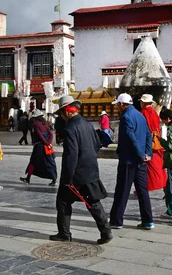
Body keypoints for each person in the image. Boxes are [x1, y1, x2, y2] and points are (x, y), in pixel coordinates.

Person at [52, 95, 112, 245]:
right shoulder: (86, 124)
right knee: (93, 202)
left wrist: (66, 178)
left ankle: (64, 234)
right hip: (90, 169)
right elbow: (97, 144)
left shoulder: (71, 128)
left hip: (76, 174)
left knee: (63, 202)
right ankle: (106, 232)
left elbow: (71, 156)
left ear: (66, 112)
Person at [109, 93, 154, 230]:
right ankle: (148, 221)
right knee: (142, 191)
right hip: (141, 161)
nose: (117, 106)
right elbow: (148, 134)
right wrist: (148, 153)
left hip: (128, 159)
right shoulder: (140, 115)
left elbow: (130, 137)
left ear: (122, 104)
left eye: (118, 104)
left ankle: (117, 220)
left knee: (122, 190)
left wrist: (140, 153)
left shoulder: (126, 117)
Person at [21, 110, 58, 186]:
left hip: (39, 147)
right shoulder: (45, 124)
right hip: (47, 147)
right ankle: (54, 179)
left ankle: (28, 179)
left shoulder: (36, 124)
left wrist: (46, 143)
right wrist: (49, 143)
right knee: (50, 162)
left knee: (33, 162)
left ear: (36, 118)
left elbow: (40, 135)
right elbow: (51, 134)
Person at [139, 94, 167, 193]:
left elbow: (143, 130)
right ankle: (166, 187)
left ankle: (144, 187)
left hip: (148, 143)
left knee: (149, 168)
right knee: (160, 166)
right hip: (157, 142)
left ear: (143, 102)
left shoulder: (143, 113)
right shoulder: (154, 113)